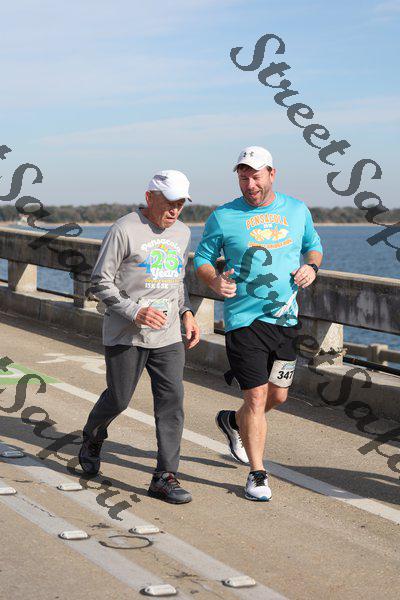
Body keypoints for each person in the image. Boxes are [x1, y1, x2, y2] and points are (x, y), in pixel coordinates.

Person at [194, 146, 323, 501]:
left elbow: (313, 246)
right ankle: (257, 473)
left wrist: (312, 267)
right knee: (255, 396)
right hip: (243, 320)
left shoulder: (296, 210)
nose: (249, 184)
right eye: (243, 177)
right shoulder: (223, 216)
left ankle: (233, 422)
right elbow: (202, 258)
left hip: (285, 318)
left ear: (271, 174)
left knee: (278, 395)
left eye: (255, 176)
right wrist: (213, 280)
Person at [79, 170, 200, 504]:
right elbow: (100, 281)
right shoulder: (124, 229)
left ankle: (164, 477)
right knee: (119, 399)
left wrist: (186, 312)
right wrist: (135, 311)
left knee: (172, 402)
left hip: (168, 335)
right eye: (169, 202)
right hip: (126, 334)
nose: (175, 210)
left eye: (181, 203)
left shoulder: (183, 232)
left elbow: (177, 280)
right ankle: (92, 436)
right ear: (150, 197)